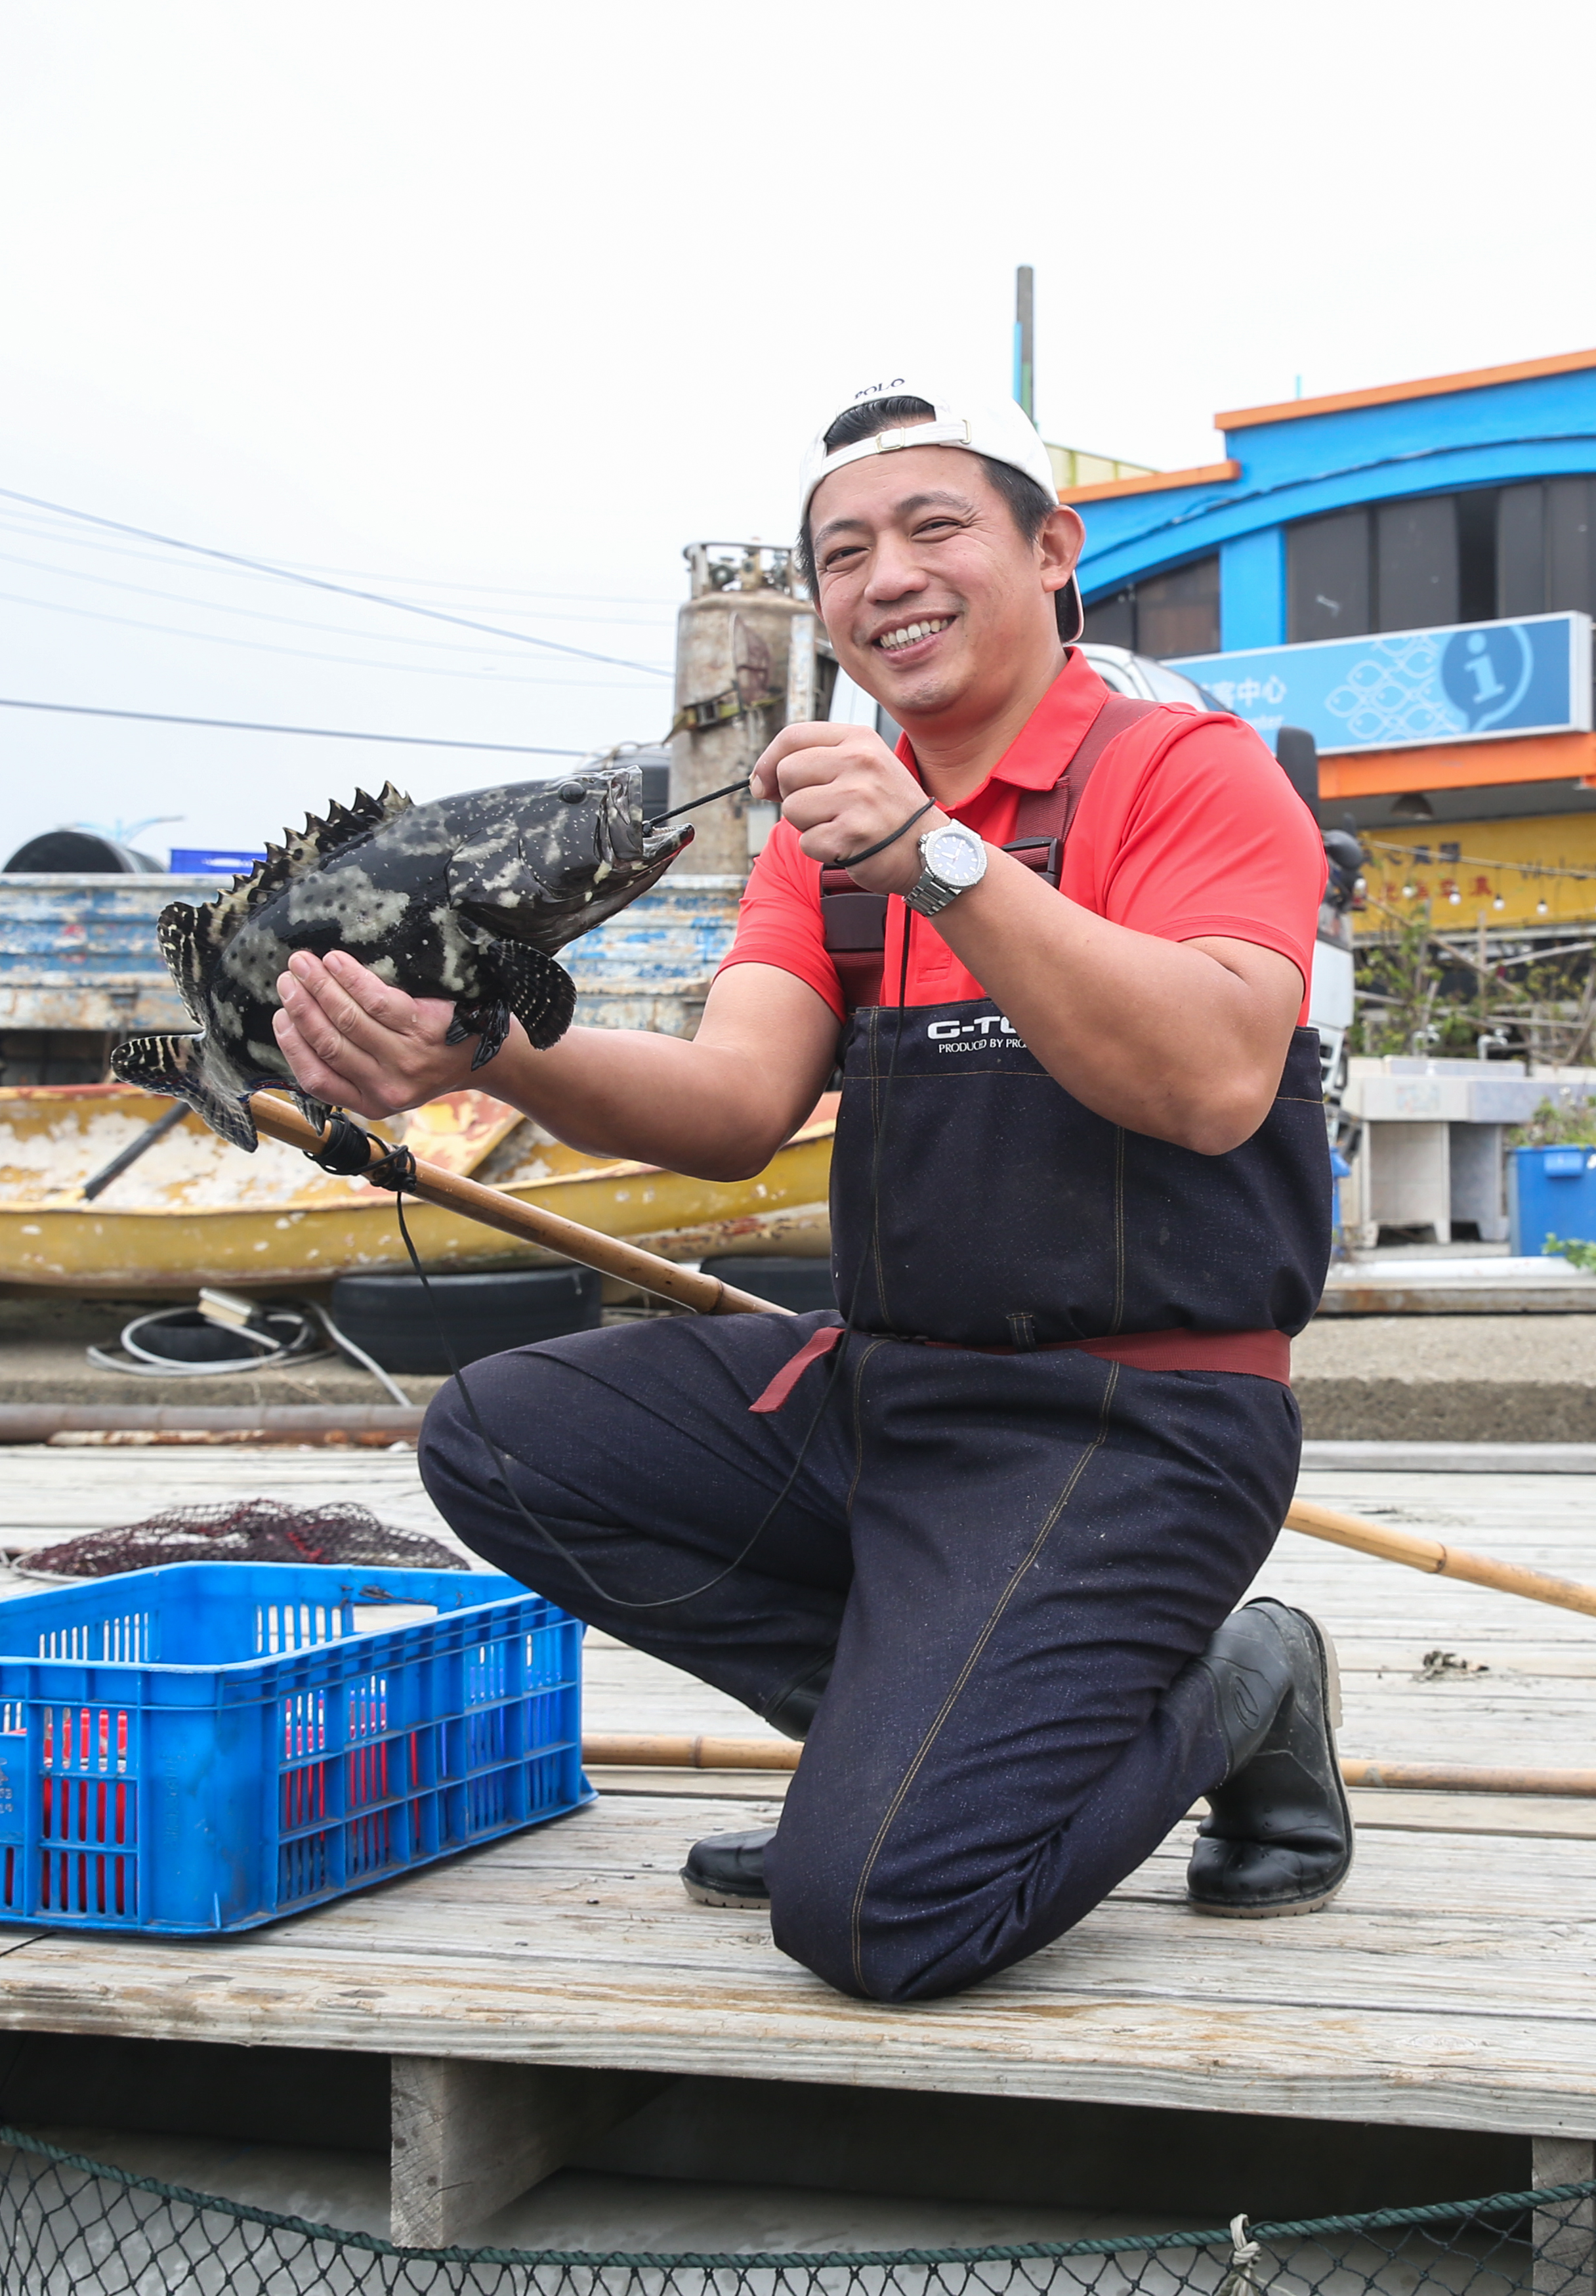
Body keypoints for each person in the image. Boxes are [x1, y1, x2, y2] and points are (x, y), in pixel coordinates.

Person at [266, 376, 1348, 2003]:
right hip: (892, 1398)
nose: (886, 577)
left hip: (1138, 1427)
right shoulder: (824, 835)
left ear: (1053, 549)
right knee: (501, 1434)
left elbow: (1208, 1086)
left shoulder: (1181, 775)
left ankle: (1236, 1679)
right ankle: (894, 1739)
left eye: (933, 529)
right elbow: (728, 1109)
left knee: (881, 1917)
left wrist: (943, 859)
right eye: (843, 554)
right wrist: (483, 1047)